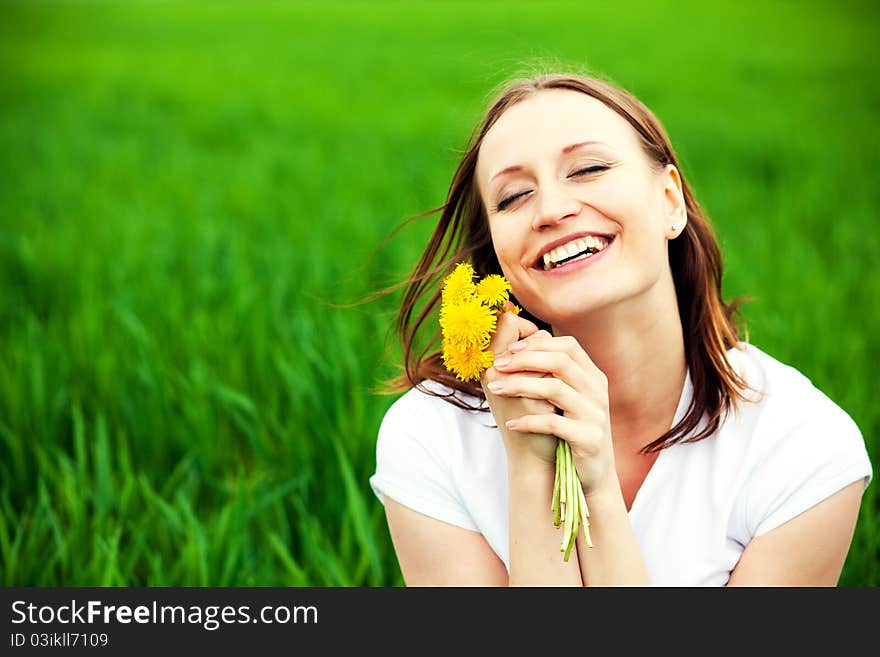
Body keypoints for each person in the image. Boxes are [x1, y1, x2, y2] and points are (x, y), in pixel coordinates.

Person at [368, 72, 873, 586]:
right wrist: (530, 469)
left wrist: (600, 493)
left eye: (587, 168)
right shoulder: (431, 436)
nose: (552, 209)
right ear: (497, 256)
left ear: (670, 201)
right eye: (513, 197)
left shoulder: (802, 448)